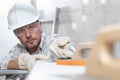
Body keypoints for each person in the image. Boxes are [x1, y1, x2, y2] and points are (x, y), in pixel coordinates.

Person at [0, 2, 75, 74]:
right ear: (16, 35)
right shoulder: (18, 49)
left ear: (40, 26)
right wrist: (20, 63)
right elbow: (3, 64)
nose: (28, 35)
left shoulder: (52, 42)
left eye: (31, 27)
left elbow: (71, 51)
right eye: (21, 31)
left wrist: (67, 49)